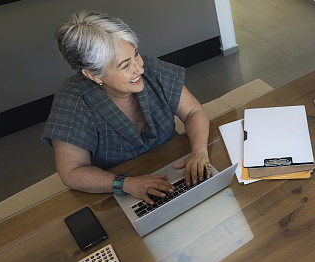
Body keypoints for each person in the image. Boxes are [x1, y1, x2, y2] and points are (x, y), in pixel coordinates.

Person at [42, 11, 211, 204]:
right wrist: (126, 184)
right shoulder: (72, 101)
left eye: (136, 54)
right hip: (117, 192)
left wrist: (199, 151)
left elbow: (193, 112)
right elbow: (71, 172)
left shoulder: (149, 69)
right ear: (92, 74)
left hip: (174, 168)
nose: (140, 68)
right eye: (125, 65)